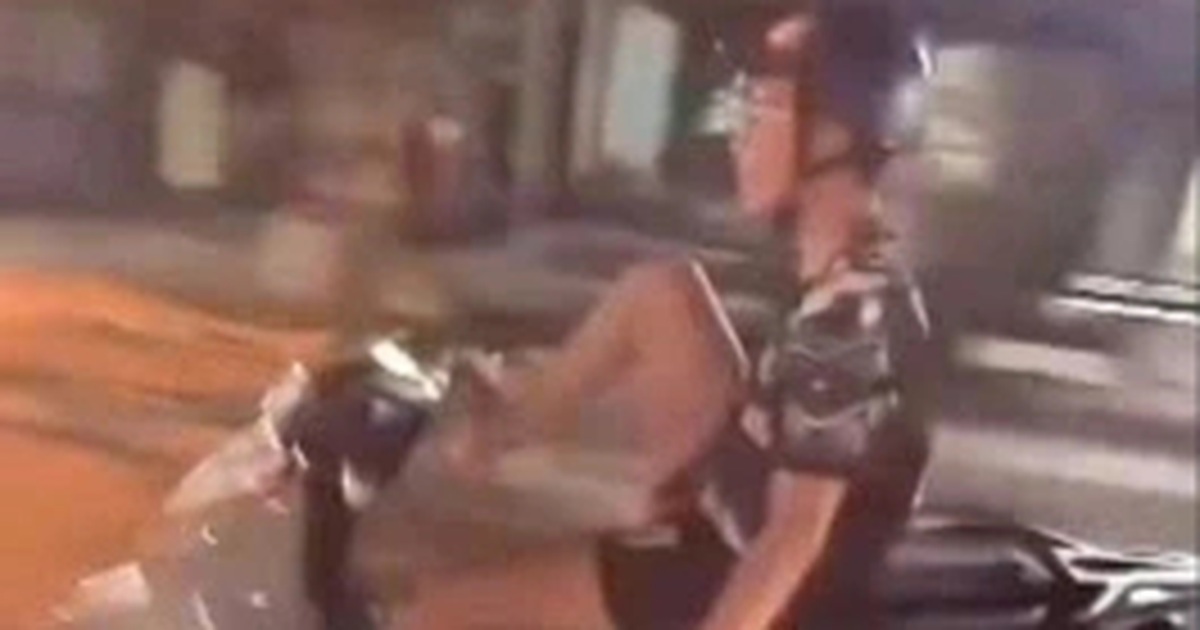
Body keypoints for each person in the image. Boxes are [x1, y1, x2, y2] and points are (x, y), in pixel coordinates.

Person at [395, 2, 937, 628]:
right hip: (737, 515)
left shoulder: (845, 323)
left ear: (832, 136)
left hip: (738, 580)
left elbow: (791, 543)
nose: (736, 131)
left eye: (762, 105)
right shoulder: (851, 278)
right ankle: (497, 435)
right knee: (662, 292)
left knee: (434, 614)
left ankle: (488, 450)